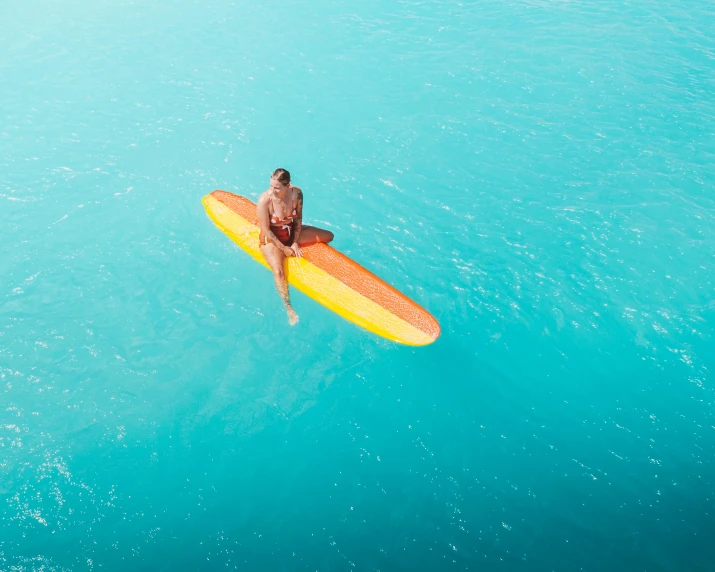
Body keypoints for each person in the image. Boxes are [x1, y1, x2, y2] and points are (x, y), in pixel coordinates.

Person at [257, 168, 334, 325]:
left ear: (288, 186)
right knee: (279, 272)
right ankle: (289, 308)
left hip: (290, 232)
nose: (272, 190)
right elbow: (265, 229)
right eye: (271, 186)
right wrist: (284, 248)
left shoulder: (296, 194)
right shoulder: (265, 200)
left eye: (276, 187)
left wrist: (294, 242)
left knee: (329, 236)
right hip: (272, 238)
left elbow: (298, 219)